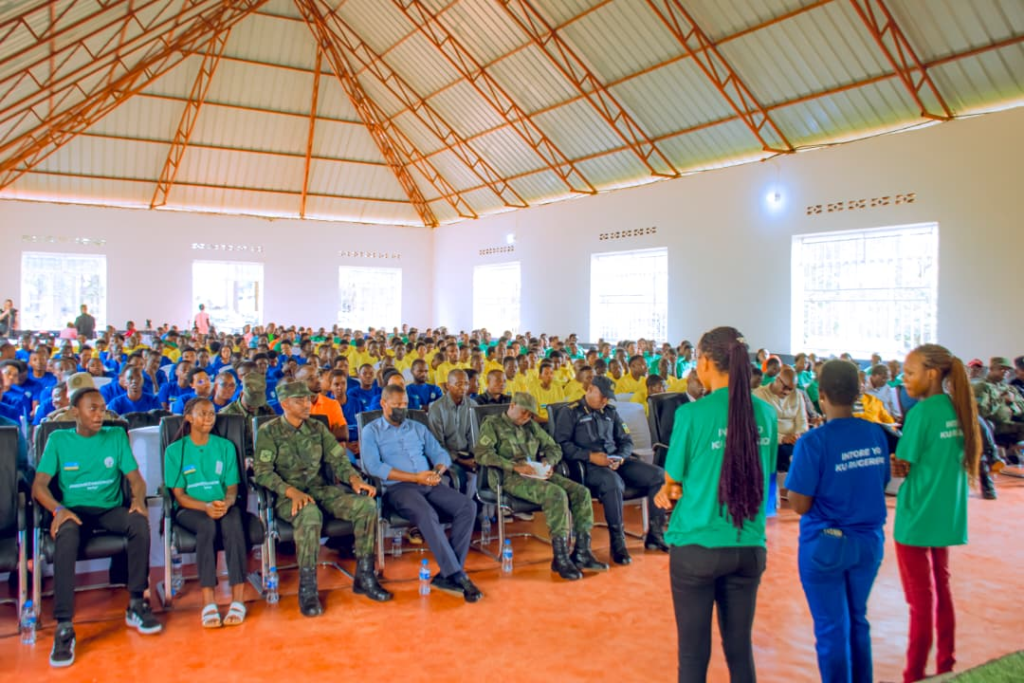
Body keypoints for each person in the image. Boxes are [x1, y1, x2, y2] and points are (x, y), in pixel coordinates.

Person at [655, 327, 777, 683]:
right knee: (739, 650)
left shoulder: (692, 415)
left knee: (693, 654)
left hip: (697, 546)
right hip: (748, 545)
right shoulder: (766, 414)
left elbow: (673, 480)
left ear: (706, 362)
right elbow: (765, 472)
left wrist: (669, 491)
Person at [32, 388, 161, 667]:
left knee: (138, 522)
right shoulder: (58, 439)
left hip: (108, 509)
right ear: (74, 412)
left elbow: (136, 480)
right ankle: (64, 626)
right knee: (66, 535)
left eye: (102, 408)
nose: (99, 414)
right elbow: (39, 486)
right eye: (92, 408)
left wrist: (138, 500)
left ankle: (136, 603)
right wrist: (58, 510)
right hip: (74, 510)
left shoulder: (115, 436)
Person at [785, 360, 891, 683]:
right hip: (869, 542)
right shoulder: (875, 433)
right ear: (858, 393)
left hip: (826, 545)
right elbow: (881, 481)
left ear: (821, 395)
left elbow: (800, 504)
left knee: (832, 628)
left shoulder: (813, 442)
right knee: (858, 620)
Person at [253, 380, 390, 615]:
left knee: (366, 506)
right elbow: (262, 473)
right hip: (288, 496)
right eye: (300, 401)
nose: (307, 404)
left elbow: (338, 459)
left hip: (320, 490)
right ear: (285, 404)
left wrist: (354, 479)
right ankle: (308, 589)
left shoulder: (317, 428)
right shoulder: (269, 431)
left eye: (308, 399)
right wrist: (291, 492)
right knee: (309, 514)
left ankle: (365, 576)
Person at [894, 344, 980, 683]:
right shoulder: (959, 408)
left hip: (916, 518)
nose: (904, 379)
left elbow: (904, 461)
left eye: (910, 373)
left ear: (931, 374)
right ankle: (946, 664)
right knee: (942, 589)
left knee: (920, 601)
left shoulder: (922, 413)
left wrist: (896, 462)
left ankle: (914, 673)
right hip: (947, 516)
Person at [361, 385, 482, 603]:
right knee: (427, 514)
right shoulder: (372, 430)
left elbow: (441, 454)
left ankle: (448, 573)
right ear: (383, 404)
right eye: (397, 404)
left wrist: (437, 472)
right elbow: (373, 467)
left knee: (468, 506)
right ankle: (456, 574)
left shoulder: (417, 427)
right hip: (399, 488)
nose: (402, 408)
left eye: (405, 404)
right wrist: (415, 477)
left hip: (429, 483)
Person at [474, 393, 605, 580]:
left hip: (535, 473)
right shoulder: (492, 424)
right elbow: (482, 454)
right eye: (524, 412)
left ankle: (582, 552)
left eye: (530, 414)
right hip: (509, 478)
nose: (526, 417)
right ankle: (560, 557)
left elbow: (554, 448)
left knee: (581, 492)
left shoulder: (531, 426)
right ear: (512, 405)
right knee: (556, 494)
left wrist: (549, 462)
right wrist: (514, 466)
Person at [555, 375, 668, 565]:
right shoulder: (570, 412)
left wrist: (621, 457)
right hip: (588, 466)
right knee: (613, 483)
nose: (605, 401)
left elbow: (626, 441)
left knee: (658, 475)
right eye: (603, 396)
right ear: (590, 389)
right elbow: (561, 445)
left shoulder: (611, 412)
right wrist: (590, 456)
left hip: (615, 461)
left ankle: (655, 535)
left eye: (608, 397)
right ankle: (618, 543)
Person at [164, 398, 248, 627]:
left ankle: (238, 599)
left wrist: (227, 503)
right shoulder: (175, 451)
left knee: (233, 523)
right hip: (191, 508)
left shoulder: (225, 447)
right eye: (202, 413)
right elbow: (180, 496)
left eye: (212, 413)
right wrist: (205, 507)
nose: (209, 418)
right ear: (188, 418)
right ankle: (209, 602)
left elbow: (232, 489)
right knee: (206, 526)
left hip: (222, 504)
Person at [753, 365, 808, 498]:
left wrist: (797, 435)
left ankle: (798, 490)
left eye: (791, 389)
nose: (787, 392)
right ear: (777, 380)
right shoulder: (760, 395)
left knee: (808, 450)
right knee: (786, 452)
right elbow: (760, 427)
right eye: (785, 387)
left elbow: (802, 422)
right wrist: (782, 438)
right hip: (771, 440)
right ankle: (784, 489)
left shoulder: (797, 395)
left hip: (793, 440)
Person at [427, 369, 478, 497]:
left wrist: (475, 458)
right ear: (448, 386)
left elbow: (473, 436)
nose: (463, 388)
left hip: (467, 456)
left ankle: (478, 509)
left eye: (466, 384)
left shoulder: (472, 405)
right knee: (462, 478)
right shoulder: (436, 408)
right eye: (458, 384)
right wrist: (459, 460)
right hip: (446, 457)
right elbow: (437, 444)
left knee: (483, 475)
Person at [219, 373, 276, 460]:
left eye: (257, 404)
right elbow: (222, 447)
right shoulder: (227, 415)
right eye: (250, 404)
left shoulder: (266, 410)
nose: (253, 407)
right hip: (238, 458)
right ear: (242, 394)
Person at [973, 356, 1024, 446]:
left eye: (1007, 370)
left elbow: (1021, 409)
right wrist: (1001, 400)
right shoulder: (982, 387)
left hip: (1010, 423)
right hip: (994, 426)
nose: (1005, 372)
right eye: (1001, 369)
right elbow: (981, 412)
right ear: (991, 369)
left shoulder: (1010, 388)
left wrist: (1012, 404)